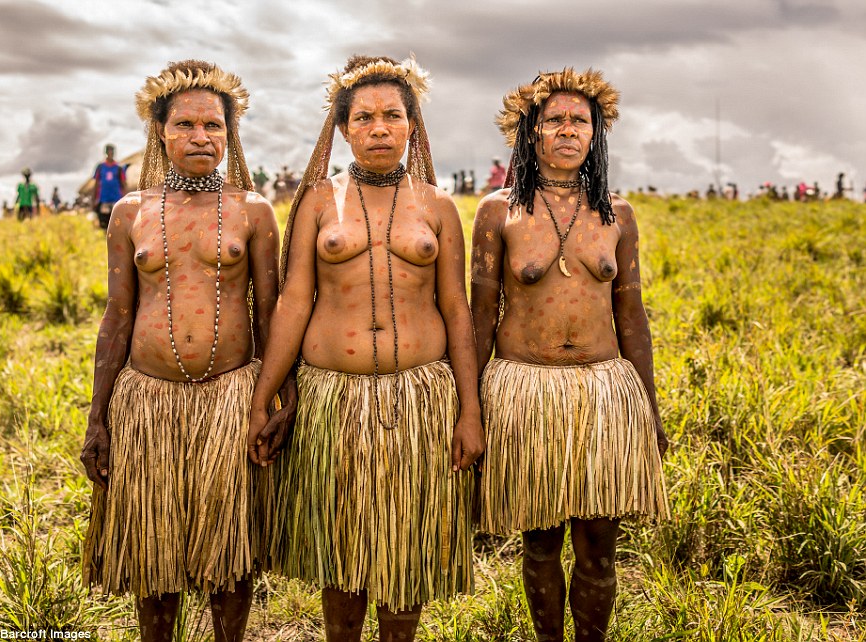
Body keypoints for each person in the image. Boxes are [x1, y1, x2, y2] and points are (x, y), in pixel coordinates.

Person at [248, 55, 484, 641]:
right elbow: (293, 302)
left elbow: (457, 308)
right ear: (343, 128)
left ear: (411, 126)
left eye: (392, 116)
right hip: (335, 402)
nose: (379, 128)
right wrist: (265, 397)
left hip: (418, 400)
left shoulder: (437, 205)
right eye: (364, 117)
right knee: (343, 557)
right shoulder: (319, 201)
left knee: (406, 557)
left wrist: (470, 409)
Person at [80, 59, 287, 642]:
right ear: (161, 133)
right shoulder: (130, 212)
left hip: (230, 399)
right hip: (145, 402)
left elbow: (271, 313)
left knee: (231, 556)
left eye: (214, 126)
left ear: (230, 134)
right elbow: (117, 315)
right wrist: (98, 416)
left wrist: (276, 396)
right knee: (153, 554)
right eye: (187, 126)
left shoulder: (253, 211)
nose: (201, 137)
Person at [470, 68, 669, 642]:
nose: (566, 130)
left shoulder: (617, 214)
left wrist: (648, 410)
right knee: (538, 542)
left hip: (605, 394)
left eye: (578, 121)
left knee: (599, 546)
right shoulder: (498, 212)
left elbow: (632, 317)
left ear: (595, 134)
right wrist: (471, 408)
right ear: (530, 132)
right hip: (523, 391)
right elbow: (479, 319)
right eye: (552, 119)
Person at [92, 144, 127, 230]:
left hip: (116, 199)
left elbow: (123, 184)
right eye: (109, 151)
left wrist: (125, 199)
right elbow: (96, 184)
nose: (110, 153)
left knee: (116, 223)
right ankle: (105, 241)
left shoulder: (119, 168)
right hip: (104, 199)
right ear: (106, 153)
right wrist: (94, 199)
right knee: (104, 223)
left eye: (112, 151)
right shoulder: (100, 167)